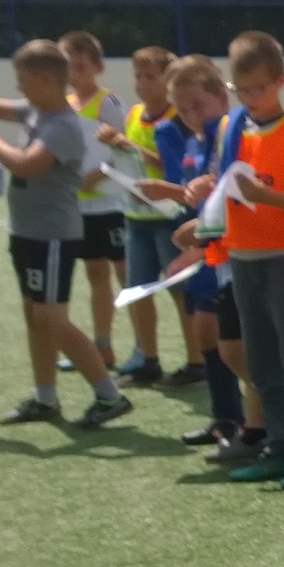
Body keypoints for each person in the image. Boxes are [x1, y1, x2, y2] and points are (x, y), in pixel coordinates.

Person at [0, 41, 131, 428]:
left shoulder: (62, 125)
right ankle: (45, 398)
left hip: (53, 235)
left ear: (46, 79)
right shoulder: (36, 111)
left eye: (22, 79)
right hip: (27, 232)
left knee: (52, 319)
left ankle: (109, 395)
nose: (18, 86)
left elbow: (26, 165)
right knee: (35, 317)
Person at [203, 30, 284, 490]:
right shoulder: (230, 128)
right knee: (261, 363)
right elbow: (222, 184)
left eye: (258, 88)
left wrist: (265, 196)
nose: (250, 98)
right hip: (242, 258)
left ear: (280, 81)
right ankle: (279, 447)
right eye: (241, 89)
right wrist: (202, 192)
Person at [146, 55, 259, 453]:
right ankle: (226, 418)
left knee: (227, 339)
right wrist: (173, 193)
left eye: (198, 104)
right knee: (206, 333)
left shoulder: (230, 133)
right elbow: (201, 194)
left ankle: (258, 419)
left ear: (221, 97)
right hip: (207, 248)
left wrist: (197, 233)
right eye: (183, 108)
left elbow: (232, 189)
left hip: (225, 250)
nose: (192, 115)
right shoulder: (194, 141)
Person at [108, 44, 195, 387]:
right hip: (137, 217)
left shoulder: (177, 118)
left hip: (168, 216)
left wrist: (131, 148)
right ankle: (148, 359)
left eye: (150, 76)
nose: (142, 83)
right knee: (137, 289)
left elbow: (176, 165)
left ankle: (197, 361)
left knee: (180, 289)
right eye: (138, 76)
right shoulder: (133, 115)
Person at [59, 31, 133, 376]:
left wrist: (99, 175)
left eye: (80, 67)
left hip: (111, 203)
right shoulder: (66, 105)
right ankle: (102, 347)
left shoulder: (108, 103)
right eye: (68, 67)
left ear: (97, 68)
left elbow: (125, 150)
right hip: (81, 206)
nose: (74, 74)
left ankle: (144, 350)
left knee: (126, 274)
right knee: (95, 275)